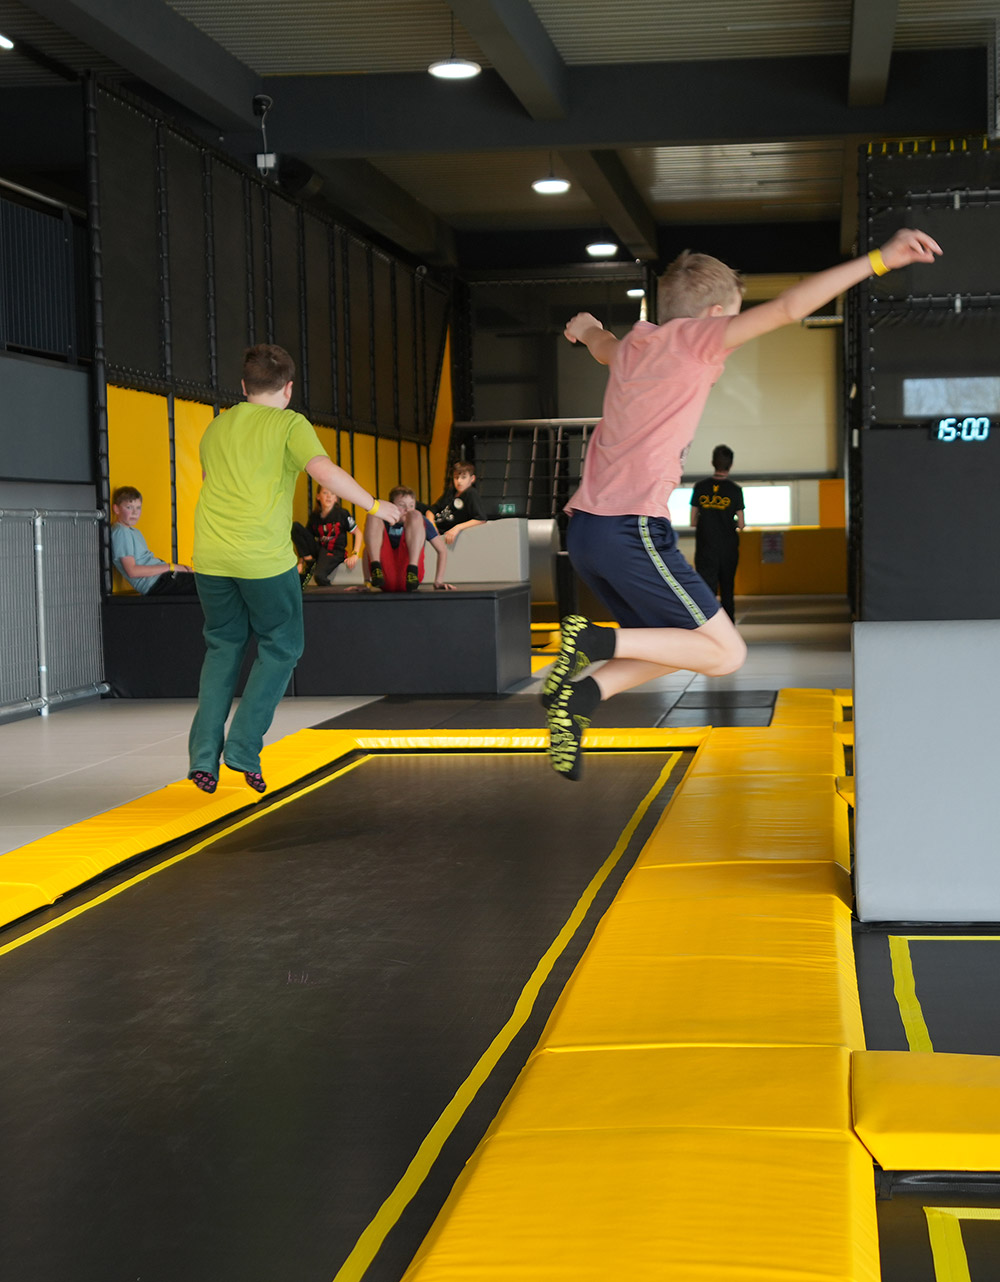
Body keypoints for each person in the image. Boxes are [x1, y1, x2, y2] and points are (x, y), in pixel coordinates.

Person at [546, 228, 942, 780]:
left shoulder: (636, 344)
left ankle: (581, 697)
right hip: (629, 527)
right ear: (714, 316)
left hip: (588, 531)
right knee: (727, 654)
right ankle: (590, 639)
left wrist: (585, 327)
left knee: (678, 646)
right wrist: (878, 259)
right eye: (729, 321)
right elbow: (789, 307)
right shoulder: (697, 339)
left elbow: (600, 344)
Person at [187, 343, 401, 796]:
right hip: (262, 560)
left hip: (210, 557)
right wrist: (375, 505)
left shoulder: (217, 426)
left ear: (244, 386)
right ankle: (243, 750)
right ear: (288, 389)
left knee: (222, 647)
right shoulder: (289, 424)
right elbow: (323, 470)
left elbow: (210, 484)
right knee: (282, 646)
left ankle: (203, 756)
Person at [360, 486, 454, 591]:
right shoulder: (381, 521)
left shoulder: (419, 521)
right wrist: (367, 582)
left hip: (409, 576)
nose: (407, 510)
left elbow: (442, 550)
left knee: (416, 515)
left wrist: (438, 581)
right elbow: (367, 550)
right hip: (384, 575)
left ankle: (412, 570)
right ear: (392, 505)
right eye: (402, 505)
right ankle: (376, 568)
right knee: (374, 513)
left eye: (411, 505)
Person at [691, 444, 745, 622]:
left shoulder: (700, 487)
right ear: (731, 465)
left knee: (707, 591)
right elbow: (741, 524)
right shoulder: (735, 490)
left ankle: (708, 627)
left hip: (706, 548)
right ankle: (729, 628)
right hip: (728, 549)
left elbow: (693, 521)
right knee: (727, 590)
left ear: (712, 462)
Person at [109, 486, 196, 595]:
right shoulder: (121, 532)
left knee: (207, 580)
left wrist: (178, 569)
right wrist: (171, 567)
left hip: (163, 578)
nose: (135, 513)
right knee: (209, 585)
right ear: (116, 509)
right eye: (129, 507)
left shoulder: (134, 532)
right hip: (156, 583)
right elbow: (132, 571)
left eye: (138, 508)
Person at [292, 486, 361, 586]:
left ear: (336, 498)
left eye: (332, 493)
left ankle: (331, 593)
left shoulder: (342, 514)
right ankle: (309, 561)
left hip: (335, 552)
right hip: (320, 550)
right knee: (295, 527)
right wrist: (301, 563)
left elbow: (358, 533)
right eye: (325, 493)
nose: (329, 496)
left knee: (319, 576)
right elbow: (305, 541)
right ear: (318, 496)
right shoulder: (314, 516)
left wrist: (355, 554)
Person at [430, 462, 487, 545]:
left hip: (443, 534)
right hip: (434, 529)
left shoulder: (471, 493)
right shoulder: (451, 492)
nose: (459, 481)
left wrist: (457, 528)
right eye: (456, 478)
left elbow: (481, 519)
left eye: (463, 477)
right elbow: (431, 511)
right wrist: (432, 527)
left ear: (472, 479)